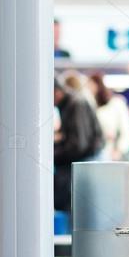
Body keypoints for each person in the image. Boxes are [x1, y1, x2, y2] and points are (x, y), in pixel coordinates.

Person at [54, 78, 104, 213]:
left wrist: (54, 154)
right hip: (84, 163)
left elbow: (78, 145)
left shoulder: (75, 104)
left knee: (79, 213)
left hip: (85, 164)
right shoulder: (70, 103)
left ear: (56, 93)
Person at [88, 73, 129, 160]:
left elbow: (127, 133)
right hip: (95, 157)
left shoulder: (117, 104)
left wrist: (119, 151)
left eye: (91, 86)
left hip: (114, 157)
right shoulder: (90, 106)